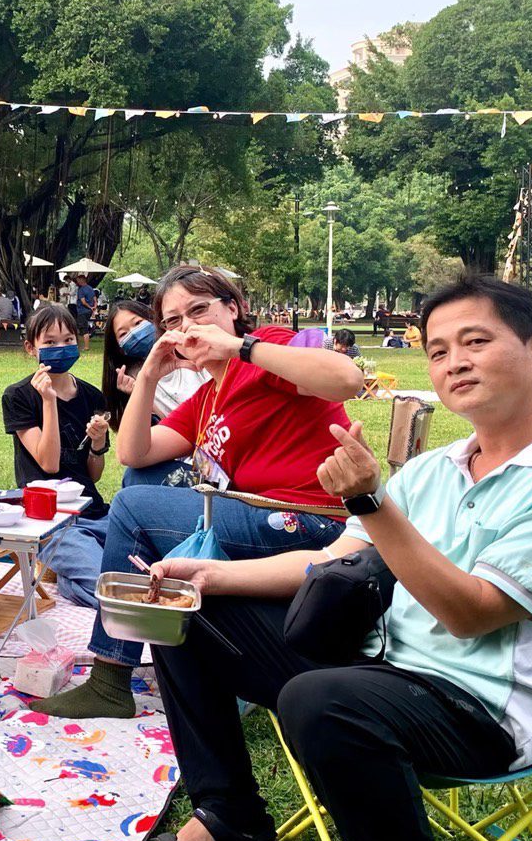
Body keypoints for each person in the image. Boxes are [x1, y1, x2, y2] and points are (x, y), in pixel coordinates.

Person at [106, 275, 532, 841]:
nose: (455, 363)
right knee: (187, 610)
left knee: (322, 700)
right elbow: (329, 562)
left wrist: (369, 502)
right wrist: (210, 577)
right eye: (438, 351)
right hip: (379, 666)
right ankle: (230, 816)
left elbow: (472, 613)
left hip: (483, 708)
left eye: (475, 342)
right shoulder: (434, 471)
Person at [35, 264, 363, 718]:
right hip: (251, 515)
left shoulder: (267, 351)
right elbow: (133, 453)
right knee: (138, 485)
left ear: (233, 310)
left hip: (313, 522)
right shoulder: (207, 396)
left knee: (133, 506)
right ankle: (178, 645)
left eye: (200, 309)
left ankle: (109, 680)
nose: (187, 326)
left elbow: (346, 379)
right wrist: (149, 375)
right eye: (172, 321)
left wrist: (241, 347)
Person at [1, 303, 112, 608]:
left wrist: (98, 443)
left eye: (67, 340)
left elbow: (93, 474)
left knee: (140, 566)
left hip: (95, 512)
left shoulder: (92, 397)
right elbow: (48, 464)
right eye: (49, 342)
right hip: (48, 521)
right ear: (30, 348)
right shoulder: (18, 396)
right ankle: (72, 574)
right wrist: (48, 401)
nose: (60, 348)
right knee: (110, 585)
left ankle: (67, 582)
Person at [99, 300, 209, 487]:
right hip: (195, 466)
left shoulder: (192, 354)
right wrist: (139, 393)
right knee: (134, 478)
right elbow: (174, 426)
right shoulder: (138, 378)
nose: (135, 333)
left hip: (219, 460)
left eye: (137, 323)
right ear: (118, 346)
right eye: (124, 334)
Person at [73, 274, 99, 347]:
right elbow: (95, 299)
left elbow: (83, 301)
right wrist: (94, 306)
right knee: (81, 326)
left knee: (83, 328)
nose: (77, 282)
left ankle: (86, 346)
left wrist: (90, 307)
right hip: (89, 311)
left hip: (82, 311)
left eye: (78, 280)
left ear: (82, 280)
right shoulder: (90, 288)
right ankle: (81, 344)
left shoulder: (81, 290)